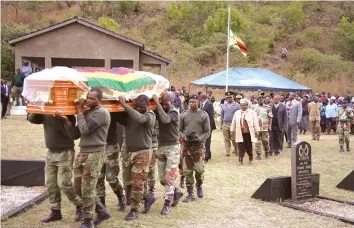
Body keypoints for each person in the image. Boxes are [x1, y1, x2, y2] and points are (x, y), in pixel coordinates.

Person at [28, 111, 84, 224]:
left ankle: (80, 206)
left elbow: (73, 134)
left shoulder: (68, 113)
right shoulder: (46, 112)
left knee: (64, 184)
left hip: (65, 152)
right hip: (51, 153)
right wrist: (38, 106)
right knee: (50, 184)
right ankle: (55, 212)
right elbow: (32, 119)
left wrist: (61, 118)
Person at [73, 88, 111, 228]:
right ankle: (101, 210)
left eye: (92, 98)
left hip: (95, 153)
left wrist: (79, 113)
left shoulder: (101, 113)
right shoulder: (88, 112)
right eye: (87, 97)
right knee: (77, 187)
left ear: (99, 100)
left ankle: (88, 221)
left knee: (88, 189)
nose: (88, 100)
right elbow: (77, 133)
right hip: (83, 152)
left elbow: (85, 130)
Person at [116, 94, 156, 221]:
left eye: (141, 106)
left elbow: (140, 119)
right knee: (128, 181)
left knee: (137, 183)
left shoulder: (150, 115)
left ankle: (134, 210)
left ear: (148, 105)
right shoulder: (130, 114)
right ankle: (148, 197)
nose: (138, 109)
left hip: (142, 152)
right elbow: (116, 116)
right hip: (128, 152)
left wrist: (124, 105)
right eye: (136, 106)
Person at [152, 93, 183, 215]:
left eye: (166, 103)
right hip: (161, 147)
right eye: (162, 103)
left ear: (171, 102)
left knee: (169, 177)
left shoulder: (174, 112)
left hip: (173, 148)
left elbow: (165, 120)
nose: (164, 106)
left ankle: (166, 204)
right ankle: (176, 192)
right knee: (162, 178)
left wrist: (157, 104)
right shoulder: (159, 110)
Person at [179, 94, 210, 202]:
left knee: (199, 170)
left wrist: (200, 139)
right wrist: (184, 137)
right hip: (186, 147)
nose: (191, 103)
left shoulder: (203, 115)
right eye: (190, 102)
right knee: (187, 171)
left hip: (198, 146)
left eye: (194, 102)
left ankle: (199, 185)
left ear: (199, 103)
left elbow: (207, 131)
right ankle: (190, 193)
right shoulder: (183, 115)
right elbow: (179, 130)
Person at [96, 113, 126, 212]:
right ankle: (102, 204)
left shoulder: (111, 109)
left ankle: (121, 196)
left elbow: (124, 120)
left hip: (111, 145)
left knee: (111, 177)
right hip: (97, 146)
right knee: (99, 177)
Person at [231, 99, 259, 166]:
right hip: (240, 132)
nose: (242, 107)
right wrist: (232, 130)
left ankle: (251, 158)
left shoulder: (252, 112)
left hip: (248, 132)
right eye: (241, 105)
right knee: (241, 147)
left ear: (247, 105)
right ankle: (240, 161)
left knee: (249, 147)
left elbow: (255, 122)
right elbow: (233, 122)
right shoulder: (237, 112)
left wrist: (257, 130)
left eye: (244, 105)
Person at [220, 92, 240, 156]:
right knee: (226, 139)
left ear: (233, 97)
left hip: (233, 124)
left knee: (234, 139)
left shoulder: (237, 105)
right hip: (225, 124)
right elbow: (222, 116)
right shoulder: (223, 105)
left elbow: (239, 115)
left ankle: (236, 150)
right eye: (227, 97)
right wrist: (221, 124)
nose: (228, 98)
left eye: (230, 97)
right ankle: (227, 152)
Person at [199, 93, 216, 163]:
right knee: (205, 140)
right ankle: (209, 155)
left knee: (207, 141)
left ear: (202, 97)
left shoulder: (209, 104)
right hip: (203, 125)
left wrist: (209, 127)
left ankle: (206, 157)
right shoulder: (203, 104)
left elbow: (211, 116)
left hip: (208, 125)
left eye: (200, 97)